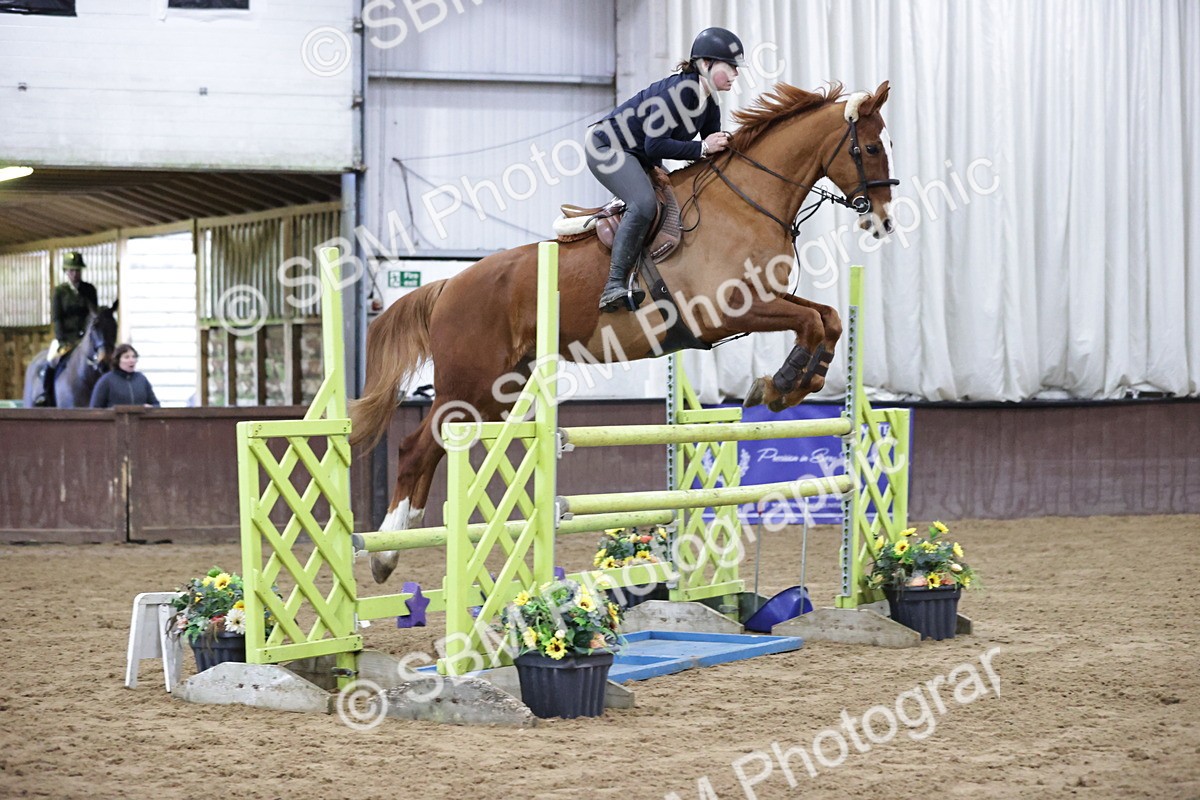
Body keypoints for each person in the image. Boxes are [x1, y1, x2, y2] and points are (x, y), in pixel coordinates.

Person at [588, 27, 744, 312]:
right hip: (607, 148)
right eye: (730, 66)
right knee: (644, 203)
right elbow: (656, 146)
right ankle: (613, 285)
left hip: (638, 154)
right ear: (705, 64)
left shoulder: (709, 101)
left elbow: (712, 150)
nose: (736, 73)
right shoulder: (676, 94)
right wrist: (703, 147)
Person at [38, 251, 99, 406]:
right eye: (71, 270)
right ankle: (45, 393)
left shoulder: (89, 290)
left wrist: (86, 336)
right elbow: (57, 318)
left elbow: (93, 315)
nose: (75, 274)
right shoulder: (59, 292)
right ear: (66, 271)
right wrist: (62, 340)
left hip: (85, 338)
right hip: (65, 338)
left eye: (77, 270)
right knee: (51, 360)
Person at [89, 344, 160, 408]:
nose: (131, 360)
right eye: (126, 357)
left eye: (134, 357)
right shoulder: (106, 380)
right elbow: (94, 408)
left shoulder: (142, 379)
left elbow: (156, 404)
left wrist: (151, 407)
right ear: (118, 360)